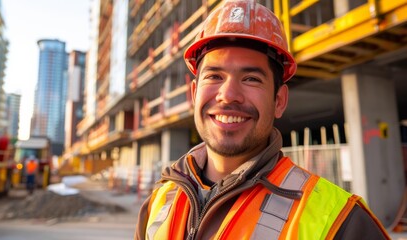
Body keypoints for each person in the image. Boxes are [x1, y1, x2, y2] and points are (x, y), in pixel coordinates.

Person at [135, 0, 390, 239]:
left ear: (279, 100)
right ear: (193, 94)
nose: (228, 96)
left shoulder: (341, 223)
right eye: (214, 76)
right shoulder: (161, 200)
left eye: (251, 79)